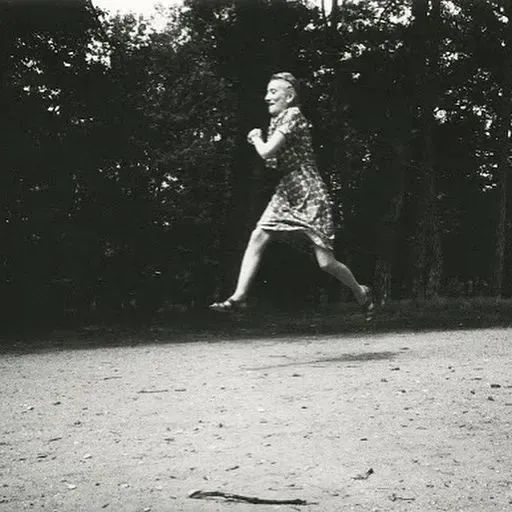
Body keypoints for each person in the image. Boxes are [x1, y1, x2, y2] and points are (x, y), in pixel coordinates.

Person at [209, 72, 374, 320]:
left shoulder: (293, 114)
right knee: (258, 236)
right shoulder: (276, 122)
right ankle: (239, 298)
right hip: (287, 190)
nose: (267, 97)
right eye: (267, 92)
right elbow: (274, 162)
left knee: (326, 263)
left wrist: (256, 139)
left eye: (273, 92)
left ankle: (361, 292)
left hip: (308, 189)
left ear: (289, 96)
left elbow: (267, 152)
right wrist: (261, 141)